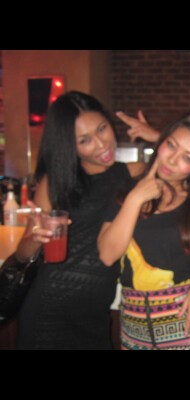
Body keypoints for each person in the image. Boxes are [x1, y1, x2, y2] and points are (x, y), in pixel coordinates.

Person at [15, 91, 149, 350]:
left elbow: (182, 162)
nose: (101, 144)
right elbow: (22, 255)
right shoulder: (54, 182)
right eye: (84, 140)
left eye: (102, 129)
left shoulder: (129, 172)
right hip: (48, 312)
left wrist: (156, 136)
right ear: (70, 146)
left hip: (94, 315)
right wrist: (37, 236)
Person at [98, 113, 190, 350]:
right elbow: (107, 255)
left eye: (187, 158)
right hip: (134, 329)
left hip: (188, 325)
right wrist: (136, 198)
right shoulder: (127, 191)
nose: (172, 160)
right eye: (171, 145)